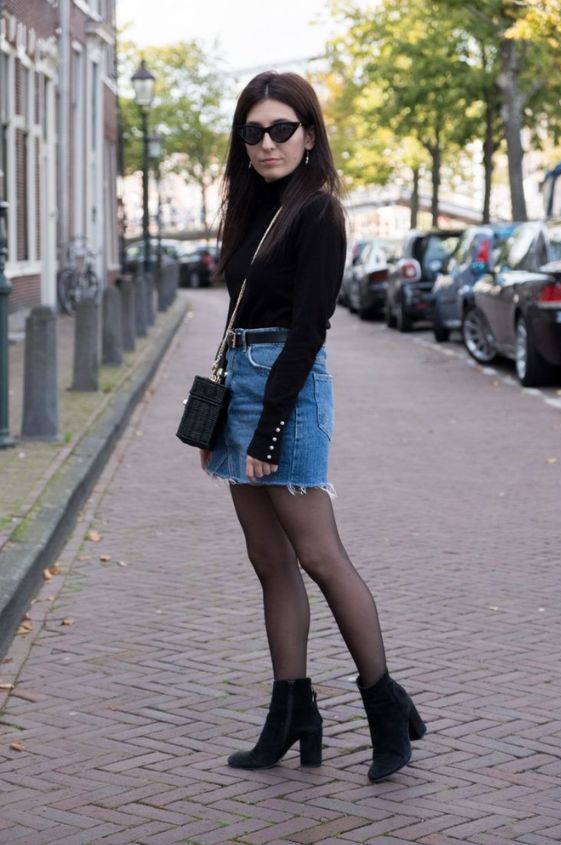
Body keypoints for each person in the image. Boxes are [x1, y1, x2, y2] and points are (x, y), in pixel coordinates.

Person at [201, 71, 426, 782]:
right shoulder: (251, 208)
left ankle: (385, 705)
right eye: (254, 131)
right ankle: (292, 710)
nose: (267, 143)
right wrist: (228, 413)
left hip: (286, 391)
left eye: (281, 129)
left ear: (309, 133)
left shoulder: (318, 212)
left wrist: (268, 427)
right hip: (240, 381)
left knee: (320, 555)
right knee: (268, 559)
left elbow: (308, 327)